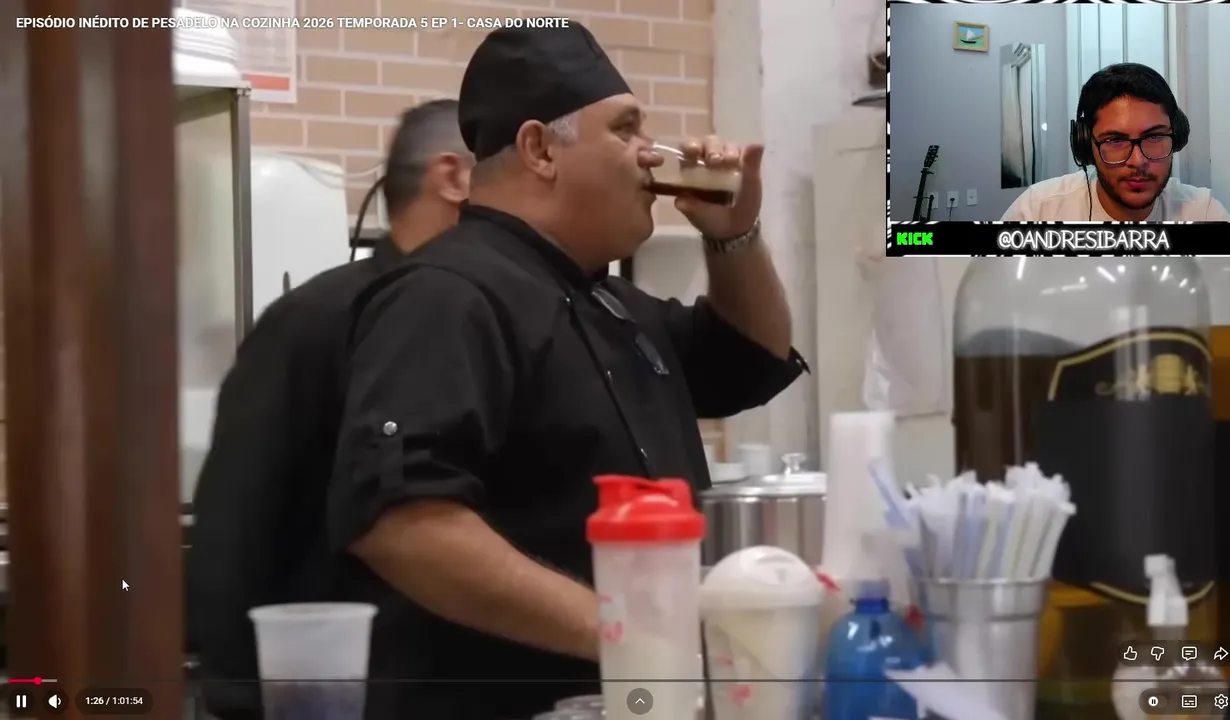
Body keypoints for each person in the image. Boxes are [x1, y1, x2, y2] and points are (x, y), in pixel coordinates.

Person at [327, 22, 806, 720]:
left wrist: (734, 235)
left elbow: (752, 359)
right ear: (540, 149)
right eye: (626, 129)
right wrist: (628, 634)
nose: (651, 155)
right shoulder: (446, 295)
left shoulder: (608, 301)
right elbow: (401, 522)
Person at [186, 99, 472, 720]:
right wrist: (244, 698)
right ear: (454, 177)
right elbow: (234, 532)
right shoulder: (315, 324)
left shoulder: (484, 321)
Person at [1002, 63, 1230, 221]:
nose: (1138, 161)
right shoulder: (1036, 211)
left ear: (1176, 137)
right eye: (1114, 140)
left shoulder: (1204, 212)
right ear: (1086, 145)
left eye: (1154, 137)